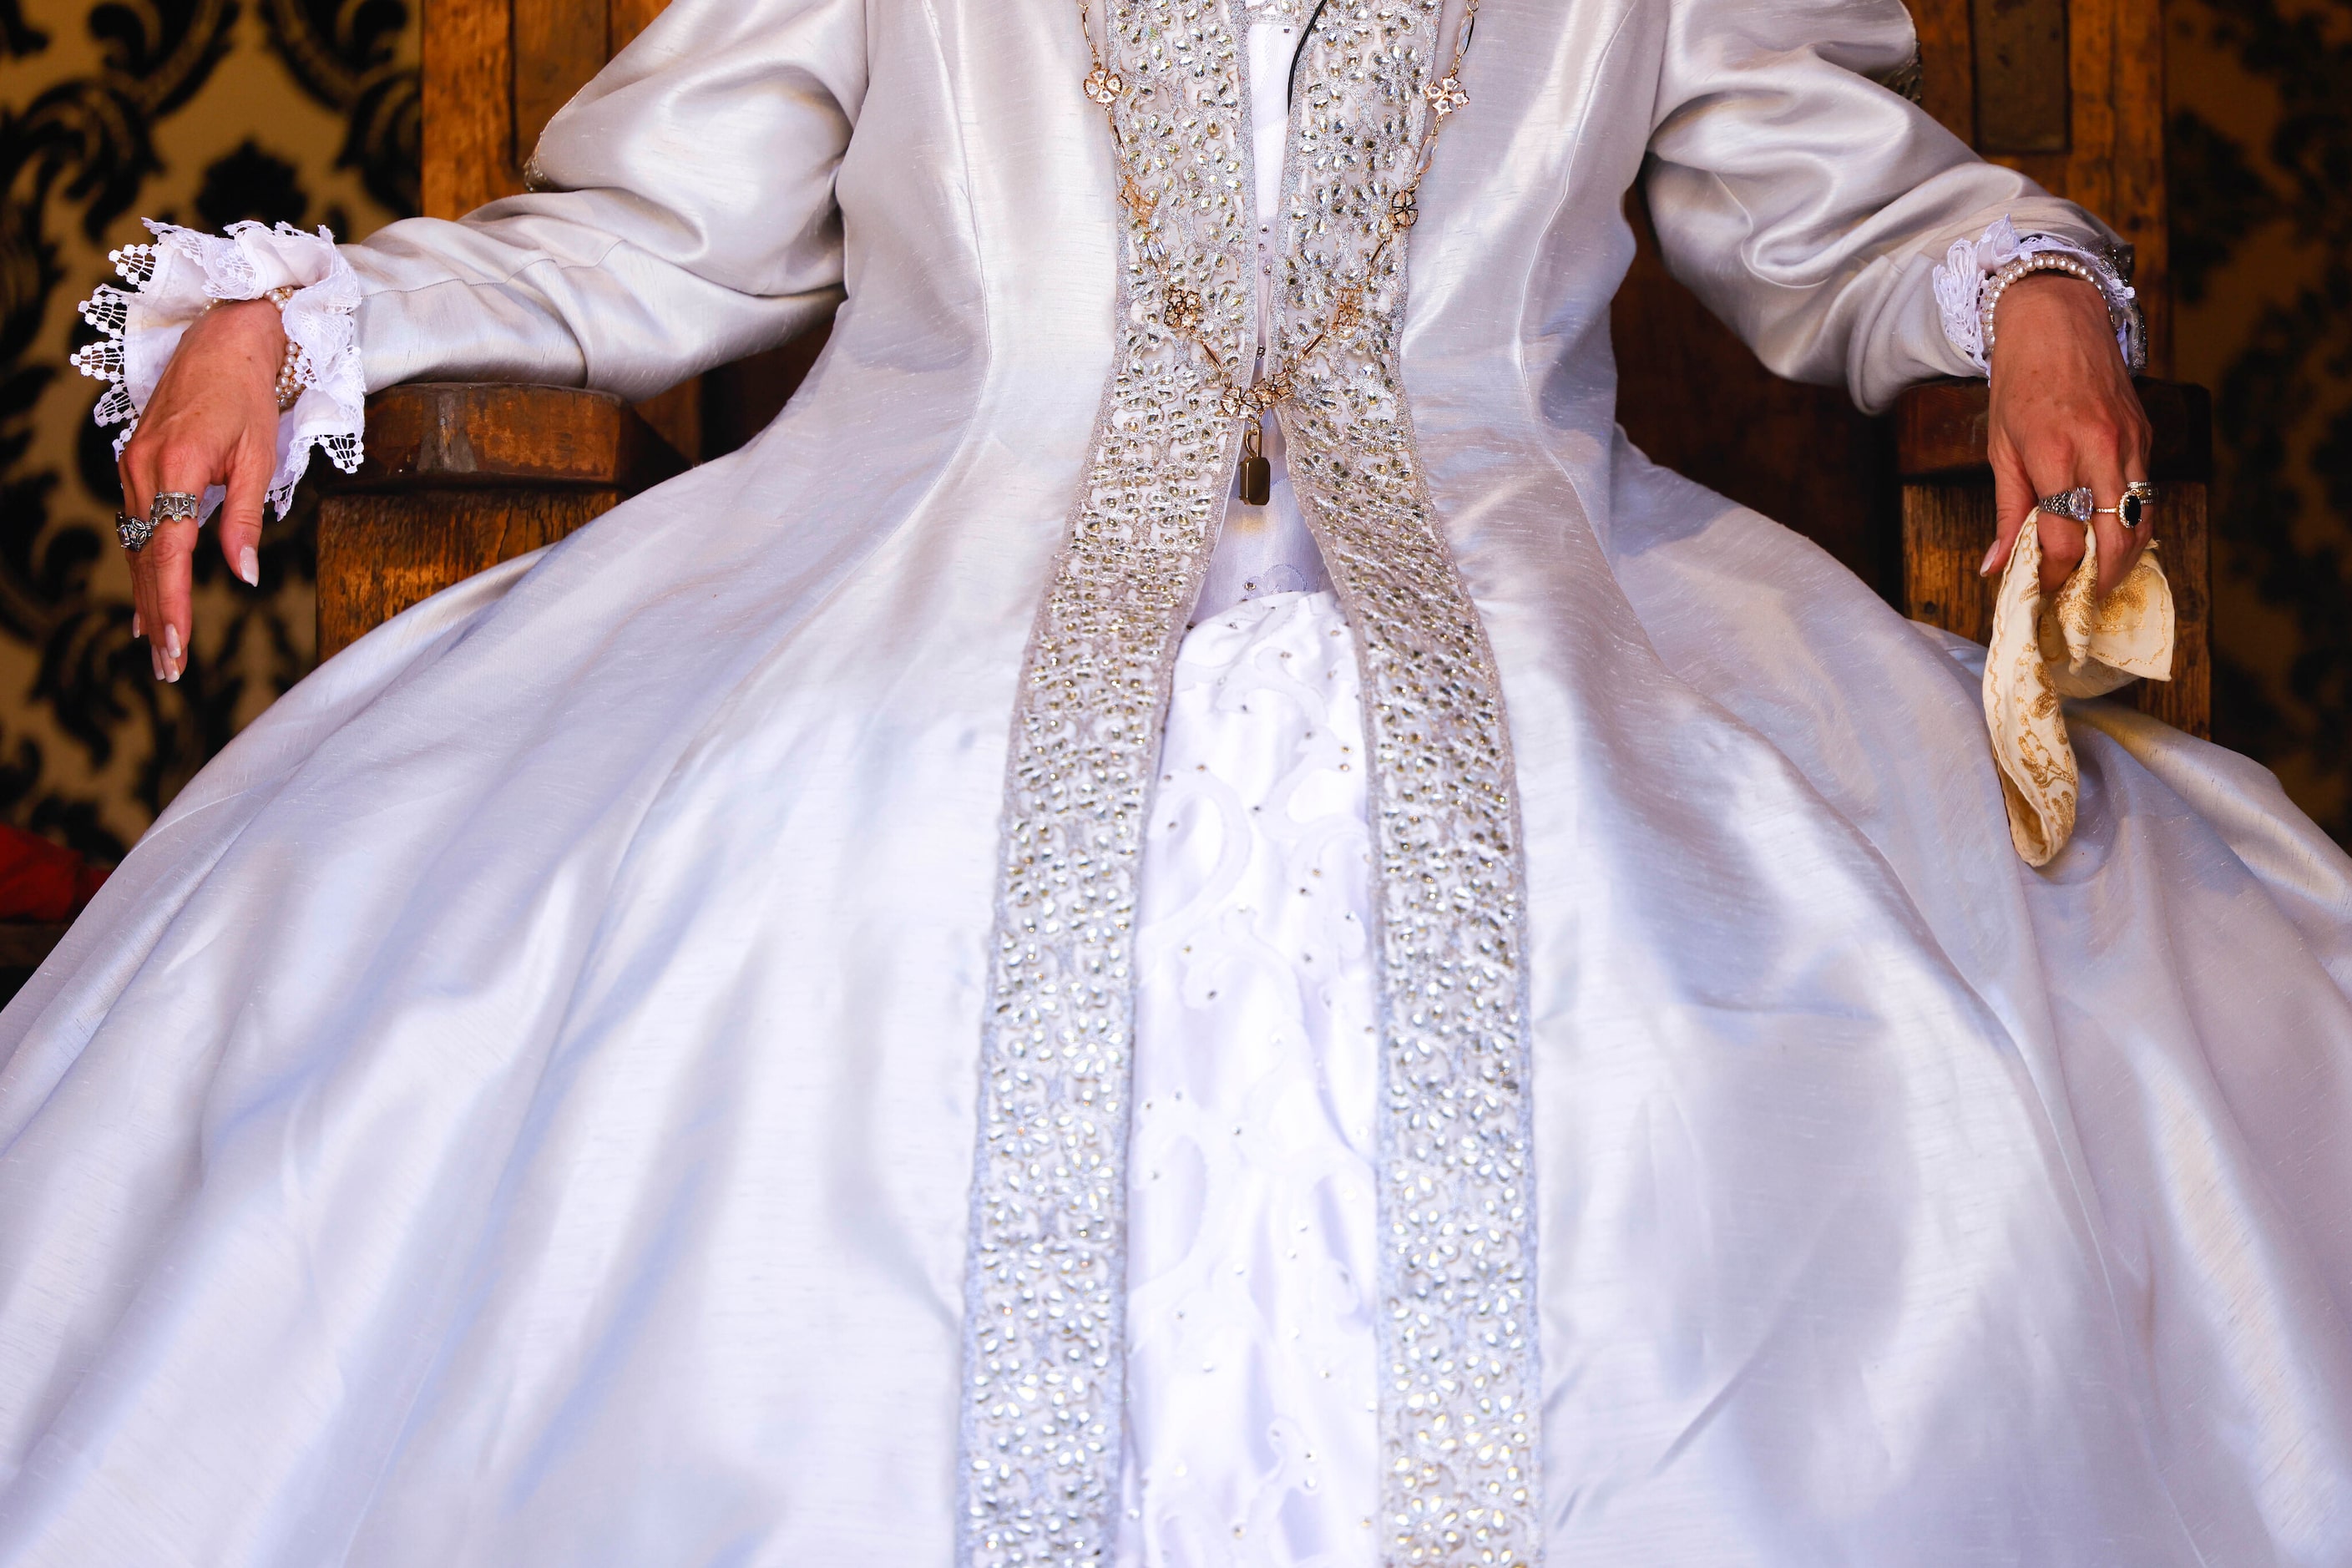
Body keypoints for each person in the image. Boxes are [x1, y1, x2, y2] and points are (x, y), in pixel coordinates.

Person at [5, 0, 2349, 1561]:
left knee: (1731, 936)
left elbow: (1821, 205)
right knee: (775, 888)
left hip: (1528, 567)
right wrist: (313, 320)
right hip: (921, 553)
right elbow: (661, 232)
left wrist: (2020, 289)